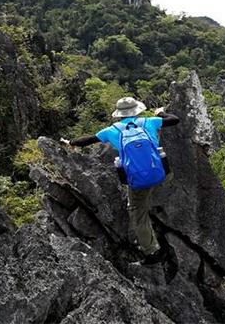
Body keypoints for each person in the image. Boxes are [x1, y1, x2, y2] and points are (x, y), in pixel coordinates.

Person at [60, 96, 179, 265]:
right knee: (151, 188)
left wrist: (70, 142)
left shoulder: (112, 130)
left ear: (119, 114)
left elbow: (88, 140)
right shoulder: (149, 122)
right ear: (137, 110)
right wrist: (161, 113)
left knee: (137, 213)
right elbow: (175, 120)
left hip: (138, 181)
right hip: (160, 173)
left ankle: (152, 252)